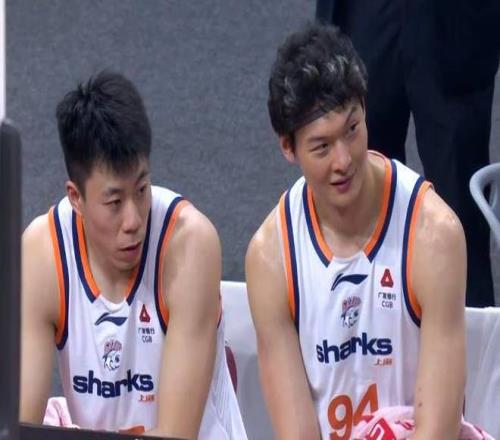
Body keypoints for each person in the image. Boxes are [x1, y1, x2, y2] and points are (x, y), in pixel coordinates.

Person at [246, 24, 466, 439]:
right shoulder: (271, 257)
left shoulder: (434, 235)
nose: (344, 160)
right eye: (322, 146)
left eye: (352, 129)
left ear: (365, 108)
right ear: (288, 148)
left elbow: (437, 430)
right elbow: (297, 432)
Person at [20, 71, 247, 439]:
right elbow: (19, 428)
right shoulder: (42, 255)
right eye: (114, 202)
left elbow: (176, 434)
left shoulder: (189, 244)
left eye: (141, 189)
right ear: (75, 197)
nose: (134, 221)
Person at [315, 0, 500, 307]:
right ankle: (354, 323)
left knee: (458, 201)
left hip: (454, 19)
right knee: (357, 182)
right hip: (365, 13)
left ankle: (467, 329)